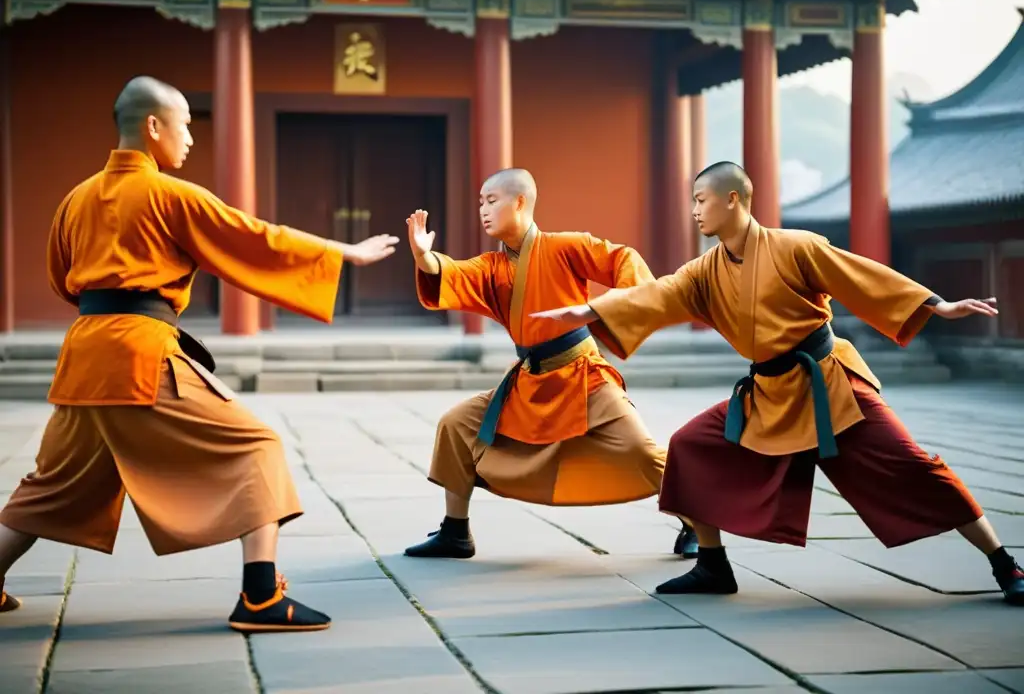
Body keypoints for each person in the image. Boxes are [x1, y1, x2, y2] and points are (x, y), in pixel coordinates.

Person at [0, 76, 400, 631]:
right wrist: (342, 252)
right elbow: (256, 237)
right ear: (154, 126)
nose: (190, 138)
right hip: (139, 356)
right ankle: (261, 597)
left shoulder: (76, 198)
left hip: (84, 356)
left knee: (52, 486)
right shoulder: (170, 194)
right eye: (185, 124)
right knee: (256, 448)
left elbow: (63, 282)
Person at [533, 161, 1024, 605]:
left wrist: (936, 305)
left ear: (733, 199)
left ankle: (1005, 564)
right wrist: (586, 310)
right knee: (689, 445)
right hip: (768, 394)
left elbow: (861, 276)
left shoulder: (796, 246)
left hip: (831, 386)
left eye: (701, 200)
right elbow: (657, 295)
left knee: (916, 467)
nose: (694, 211)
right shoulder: (705, 270)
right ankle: (712, 564)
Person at [402, 168, 697, 559]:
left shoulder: (564, 246)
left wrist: (602, 308)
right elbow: (450, 272)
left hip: (583, 374)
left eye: (492, 201)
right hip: (528, 380)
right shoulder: (493, 266)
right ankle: (455, 531)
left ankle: (695, 519)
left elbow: (623, 259)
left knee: (640, 450)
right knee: (456, 425)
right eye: (480, 203)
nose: (483, 211)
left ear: (520, 202)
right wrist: (424, 256)